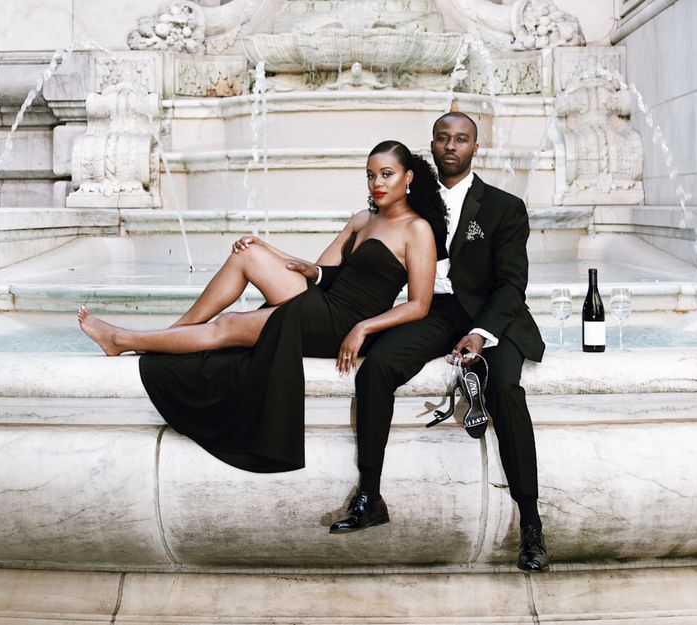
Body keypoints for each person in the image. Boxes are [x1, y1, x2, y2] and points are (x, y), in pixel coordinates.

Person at [78, 140, 449, 474]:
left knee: (229, 325)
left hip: (346, 321)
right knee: (249, 254)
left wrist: (363, 328)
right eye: (370, 176)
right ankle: (171, 333)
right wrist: (269, 249)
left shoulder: (417, 230)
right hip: (324, 301)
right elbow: (320, 271)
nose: (377, 184)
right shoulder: (362, 220)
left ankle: (124, 339)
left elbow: (419, 304)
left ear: (408, 177)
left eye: (387, 174)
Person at [328, 113, 550, 573]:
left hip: (493, 316)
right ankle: (370, 495)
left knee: (504, 390)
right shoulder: (414, 203)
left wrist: (480, 333)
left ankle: (531, 524)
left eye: (461, 139)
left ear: (475, 148)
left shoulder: (504, 207)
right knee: (377, 369)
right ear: (432, 146)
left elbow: (511, 285)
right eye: (443, 139)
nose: (452, 146)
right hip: (434, 310)